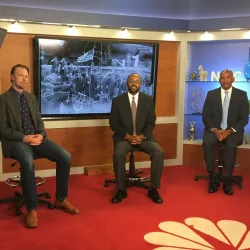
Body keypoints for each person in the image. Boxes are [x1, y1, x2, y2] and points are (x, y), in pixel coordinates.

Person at [0, 64, 80, 228]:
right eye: (20, 75)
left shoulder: (31, 97)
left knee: (65, 156)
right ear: (12, 77)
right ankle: (32, 209)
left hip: (36, 139)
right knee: (27, 162)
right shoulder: (3, 99)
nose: (24, 79)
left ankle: (61, 199)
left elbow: (39, 121)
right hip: (17, 141)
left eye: (26, 76)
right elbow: (3, 129)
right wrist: (25, 138)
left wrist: (41, 135)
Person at [109, 73, 164, 204]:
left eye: (137, 81)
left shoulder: (148, 100)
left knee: (158, 152)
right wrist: (128, 136)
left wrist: (142, 136)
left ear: (141, 84)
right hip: (124, 138)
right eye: (131, 81)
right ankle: (121, 189)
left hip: (144, 138)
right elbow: (113, 123)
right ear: (127, 83)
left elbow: (151, 122)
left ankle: (153, 189)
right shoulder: (117, 101)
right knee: (118, 153)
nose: (134, 83)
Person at [202, 69, 249, 195]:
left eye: (228, 77)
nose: (225, 80)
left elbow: (244, 118)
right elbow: (205, 116)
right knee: (208, 142)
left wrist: (230, 130)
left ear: (233, 79)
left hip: (234, 131)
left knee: (231, 145)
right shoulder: (211, 94)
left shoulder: (242, 95)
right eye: (222, 77)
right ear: (219, 80)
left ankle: (227, 180)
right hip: (214, 129)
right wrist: (215, 130)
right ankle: (212, 177)